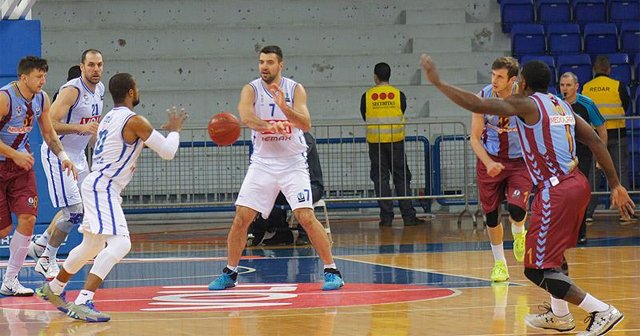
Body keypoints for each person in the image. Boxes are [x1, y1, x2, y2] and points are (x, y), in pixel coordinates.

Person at [421, 55, 633, 336]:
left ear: (522, 84)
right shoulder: (561, 105)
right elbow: (594, 140)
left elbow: (478, 104)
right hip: (576, 184)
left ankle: (601, 310)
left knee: (535, 269)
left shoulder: (528, 104)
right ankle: (560, 315)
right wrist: (615, 184)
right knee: (553, 259)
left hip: (556, 190)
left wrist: (437, 82)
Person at [35, 73, 187, 322]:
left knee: (92, 246)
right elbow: (168, 152)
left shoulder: (108, 118)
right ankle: (83, 300)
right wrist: (176, 132)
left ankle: (53, 289)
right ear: (131, 92)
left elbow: (135, 142)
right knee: (121, 244)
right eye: (136, 88)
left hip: (97, 184)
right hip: (104, 186)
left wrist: (161, 135)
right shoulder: (135, 120)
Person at [208, 45, 344, 291]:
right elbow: (246, 117)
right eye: (261, 61)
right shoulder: (251, 89)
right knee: (241, 217)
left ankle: (332, 270)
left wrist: (285, 108)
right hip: (263, 163)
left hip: (293, 163)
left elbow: (306, 123)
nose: (264, 66)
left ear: (280, 65)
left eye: (269, 62)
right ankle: (230, 273)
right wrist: (269, 127)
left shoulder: (295, 89)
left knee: (305, 216)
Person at [0, 56, 77, 296]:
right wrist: (13, 154)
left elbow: (49, 132)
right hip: (4, 162)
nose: (43, 80)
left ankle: (11, 279)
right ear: (23, 78)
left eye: (44, 75)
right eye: (38, 76)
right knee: (3, 231)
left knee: (28, 219)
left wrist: (64, 157)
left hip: (21, 167)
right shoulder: (4, 99)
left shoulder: (42, 99)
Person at [28, 49, 105, 280]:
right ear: (82, 66)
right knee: (74, 212)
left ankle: (40, 245)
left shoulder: (99, 90)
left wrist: (100, 152)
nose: (96, 69)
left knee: (80, 209)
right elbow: (50, 124)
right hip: (58, 153)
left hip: (79, 155)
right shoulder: (72, 90)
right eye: (91, 65)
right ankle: (46, 259)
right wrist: (80, 129)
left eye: (99, 65)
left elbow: (91, 127)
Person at [470, 57, 531, 282]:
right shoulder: (482, 98)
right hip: (490, 159)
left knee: (517, 210)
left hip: (519, 162)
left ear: (512, 80)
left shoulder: (525, 98)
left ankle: (519, 231)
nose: (494, 80)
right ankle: (499, 264)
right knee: (492, 215)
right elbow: (474, 138)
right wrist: (488, 163)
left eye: (500, 77)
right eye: (493, 75)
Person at [360, 62, 425, 227]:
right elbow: (401, 111)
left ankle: (386, 217)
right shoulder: (398, 94)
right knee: (401, 177)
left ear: (375, 76)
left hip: (376, 143)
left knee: (380, 179)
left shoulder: (367, 96)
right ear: (389, 75)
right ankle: (408, 216)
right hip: (396, 142)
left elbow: (364, 115)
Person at [247, 131, 323, 246]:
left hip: (311, 185)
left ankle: (305, 233)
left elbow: (293, 158)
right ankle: (280, 231)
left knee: (299, 198)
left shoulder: (304, 137)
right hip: (287, 184)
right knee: (265, 194)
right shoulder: (279, 139)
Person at [559, 72, 608, 245]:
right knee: (561, 194)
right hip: (561, 154)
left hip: (582, 154)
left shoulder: (587, 104)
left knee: (579, 193)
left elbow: (601, 129)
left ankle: (580, 232)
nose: (565, 88)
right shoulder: (555, 103)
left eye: (568, 85)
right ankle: (562, 233)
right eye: (562, 85)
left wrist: (600, 156)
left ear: (576, 86)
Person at [582, 55, 632, 223]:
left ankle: (588, 213)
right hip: (617, 134)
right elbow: (626, 105)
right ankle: (625, 212)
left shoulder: (587, 87)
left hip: (594, 136)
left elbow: (583, 109)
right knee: (620, 172)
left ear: (594, 70)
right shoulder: (618, 86)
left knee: (593, 175)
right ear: (609, 70)